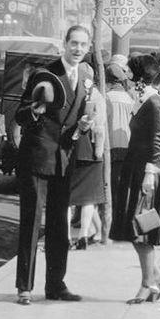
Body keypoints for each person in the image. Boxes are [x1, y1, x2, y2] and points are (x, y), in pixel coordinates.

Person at [13, 24, 93, 305]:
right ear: (64, 43)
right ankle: (25, 286)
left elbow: (81, 113)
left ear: (88, 47)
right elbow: (21, 115)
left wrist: (83, 125)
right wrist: (36, 109)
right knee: (32, 222)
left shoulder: (86, 75)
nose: (78, 49)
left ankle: (56, 285)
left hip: (65, 158)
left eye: (83, 44)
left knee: (60, 224)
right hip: (37, 156)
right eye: (74, 43)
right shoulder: (44, 75)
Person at [110, 51, 160, 303]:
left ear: (137, 76)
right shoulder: (144, 98)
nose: (125, 75)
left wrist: (150, 173)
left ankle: (149, 283)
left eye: (128, 72)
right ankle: (155, 278)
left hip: (146, 171)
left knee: (141, 227)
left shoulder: (154, 102)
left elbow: (157, 139)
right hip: (136, 167)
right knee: (136, 227)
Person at [69, 62, 106, 249]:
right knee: (88, 198)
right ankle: (83, 235)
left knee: (68, 197)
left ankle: (66, 235)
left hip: (73, 146)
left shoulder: (71, 91)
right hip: (93, 149)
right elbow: (100, 125)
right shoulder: (97, 95)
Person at [104, 56, 137, 221]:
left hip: (111, 145)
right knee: (124, 183)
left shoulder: (107, 98)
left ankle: (116, 219)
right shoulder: (130, 98)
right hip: (128, 144)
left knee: (112, 185)